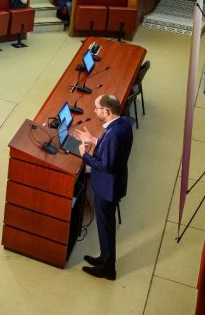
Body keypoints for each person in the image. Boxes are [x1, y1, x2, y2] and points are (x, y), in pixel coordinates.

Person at [72, 93, 134, 279]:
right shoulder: (122, 123)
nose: (95, 111)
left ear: (106, 111)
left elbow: (106, 165)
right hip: (114, 185)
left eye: (97, 108)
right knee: (105, 227)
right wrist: (95, 140)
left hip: (107, 189)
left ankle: (108, 268)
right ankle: (105, 258)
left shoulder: (113, 134)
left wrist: (85, 154)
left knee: (105, 227)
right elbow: (112, 150)